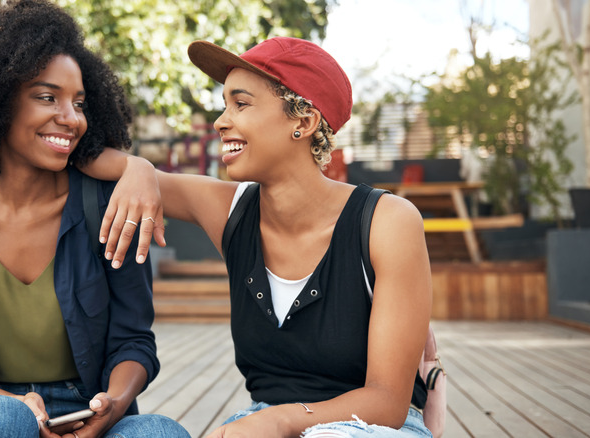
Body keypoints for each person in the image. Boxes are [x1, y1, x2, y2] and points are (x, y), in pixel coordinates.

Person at [81, 37, 433, 438]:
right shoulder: (230, 210)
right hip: (261, 422)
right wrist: (140, 169)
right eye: (225, 103)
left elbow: (387, 401)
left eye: (241, 103)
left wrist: (276, 421)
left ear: (303, 122)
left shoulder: (387, 222)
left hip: (368, 428)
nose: (220, 120)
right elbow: (82, 154)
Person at [0, 1, 191, 437]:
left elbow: (133, 341)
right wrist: (3, 401)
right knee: (5, 420)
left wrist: (111, 404)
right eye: (47, 97)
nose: (71, 118)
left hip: (86, 409)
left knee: (160, 432)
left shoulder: (110, 208)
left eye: (79, 102)